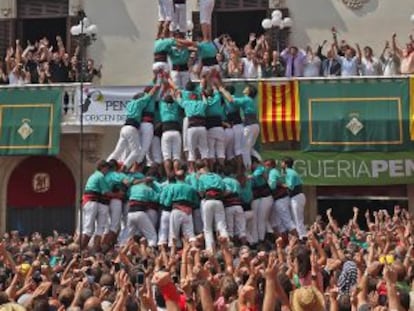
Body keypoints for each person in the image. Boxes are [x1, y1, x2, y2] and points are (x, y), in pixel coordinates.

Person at [107, 84, 159, 171]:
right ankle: (125, 167)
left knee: (119, 150)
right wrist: (155, 88)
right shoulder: (139, 103)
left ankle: (107, 164)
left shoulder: (129, 104)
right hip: (132, 128)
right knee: (136, 151)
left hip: (124, 128)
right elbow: (149, 95)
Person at [219, 84, 259, 172]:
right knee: (249, 148)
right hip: (254, 125)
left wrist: (222, 90)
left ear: (249, 91)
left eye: (246, 88)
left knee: (243, 149)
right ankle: (260, 164)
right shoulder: (250, 100)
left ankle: (246, 170)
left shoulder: (246, 99)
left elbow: (231, 100)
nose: (245, 88)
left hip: (249, 126)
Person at [79, 160, 111, 250]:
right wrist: (117, 194)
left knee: (94, 228)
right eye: (107, 169)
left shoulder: (93, 175)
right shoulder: (100, 176)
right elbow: (106, 192)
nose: (107, 171)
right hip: (91, 201)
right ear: (103, 168)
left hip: (93, 201)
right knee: (88, 228)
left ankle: (93, 248)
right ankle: (81, 249)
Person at [197, 162, 228, 251]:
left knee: (207, 228)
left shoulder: (202, 177)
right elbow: (224, 189)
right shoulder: (218, 177)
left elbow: (201, 192)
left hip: (208, 201)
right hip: (219, 201)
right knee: (221, 225)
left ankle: (210, 249)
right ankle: (226, 246)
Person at [281, 156, 307, 240]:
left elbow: (290, 186)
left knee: (297, 218)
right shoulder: (289, 172)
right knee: (297, 218)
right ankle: (301, 236)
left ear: (285, 164)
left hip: (297, 197)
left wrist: (280, 184)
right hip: (296, 197)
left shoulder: (290, 172)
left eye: (282, 162)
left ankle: (302, 237)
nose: (281, 164)